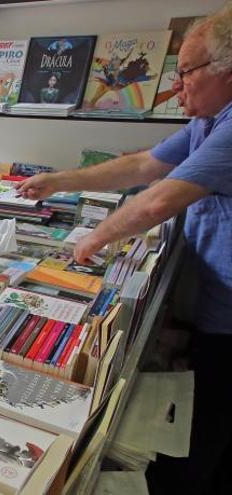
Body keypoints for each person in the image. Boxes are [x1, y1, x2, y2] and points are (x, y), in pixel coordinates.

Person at [16, 7, 232, 493]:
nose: (176, 86)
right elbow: (141, 166)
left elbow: (159, 199)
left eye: (186, 73)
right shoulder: (208, 121)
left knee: (212, 422)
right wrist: (61, 180)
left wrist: (92, 239)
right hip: (210, 302)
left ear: (227, 72)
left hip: (228, 315)